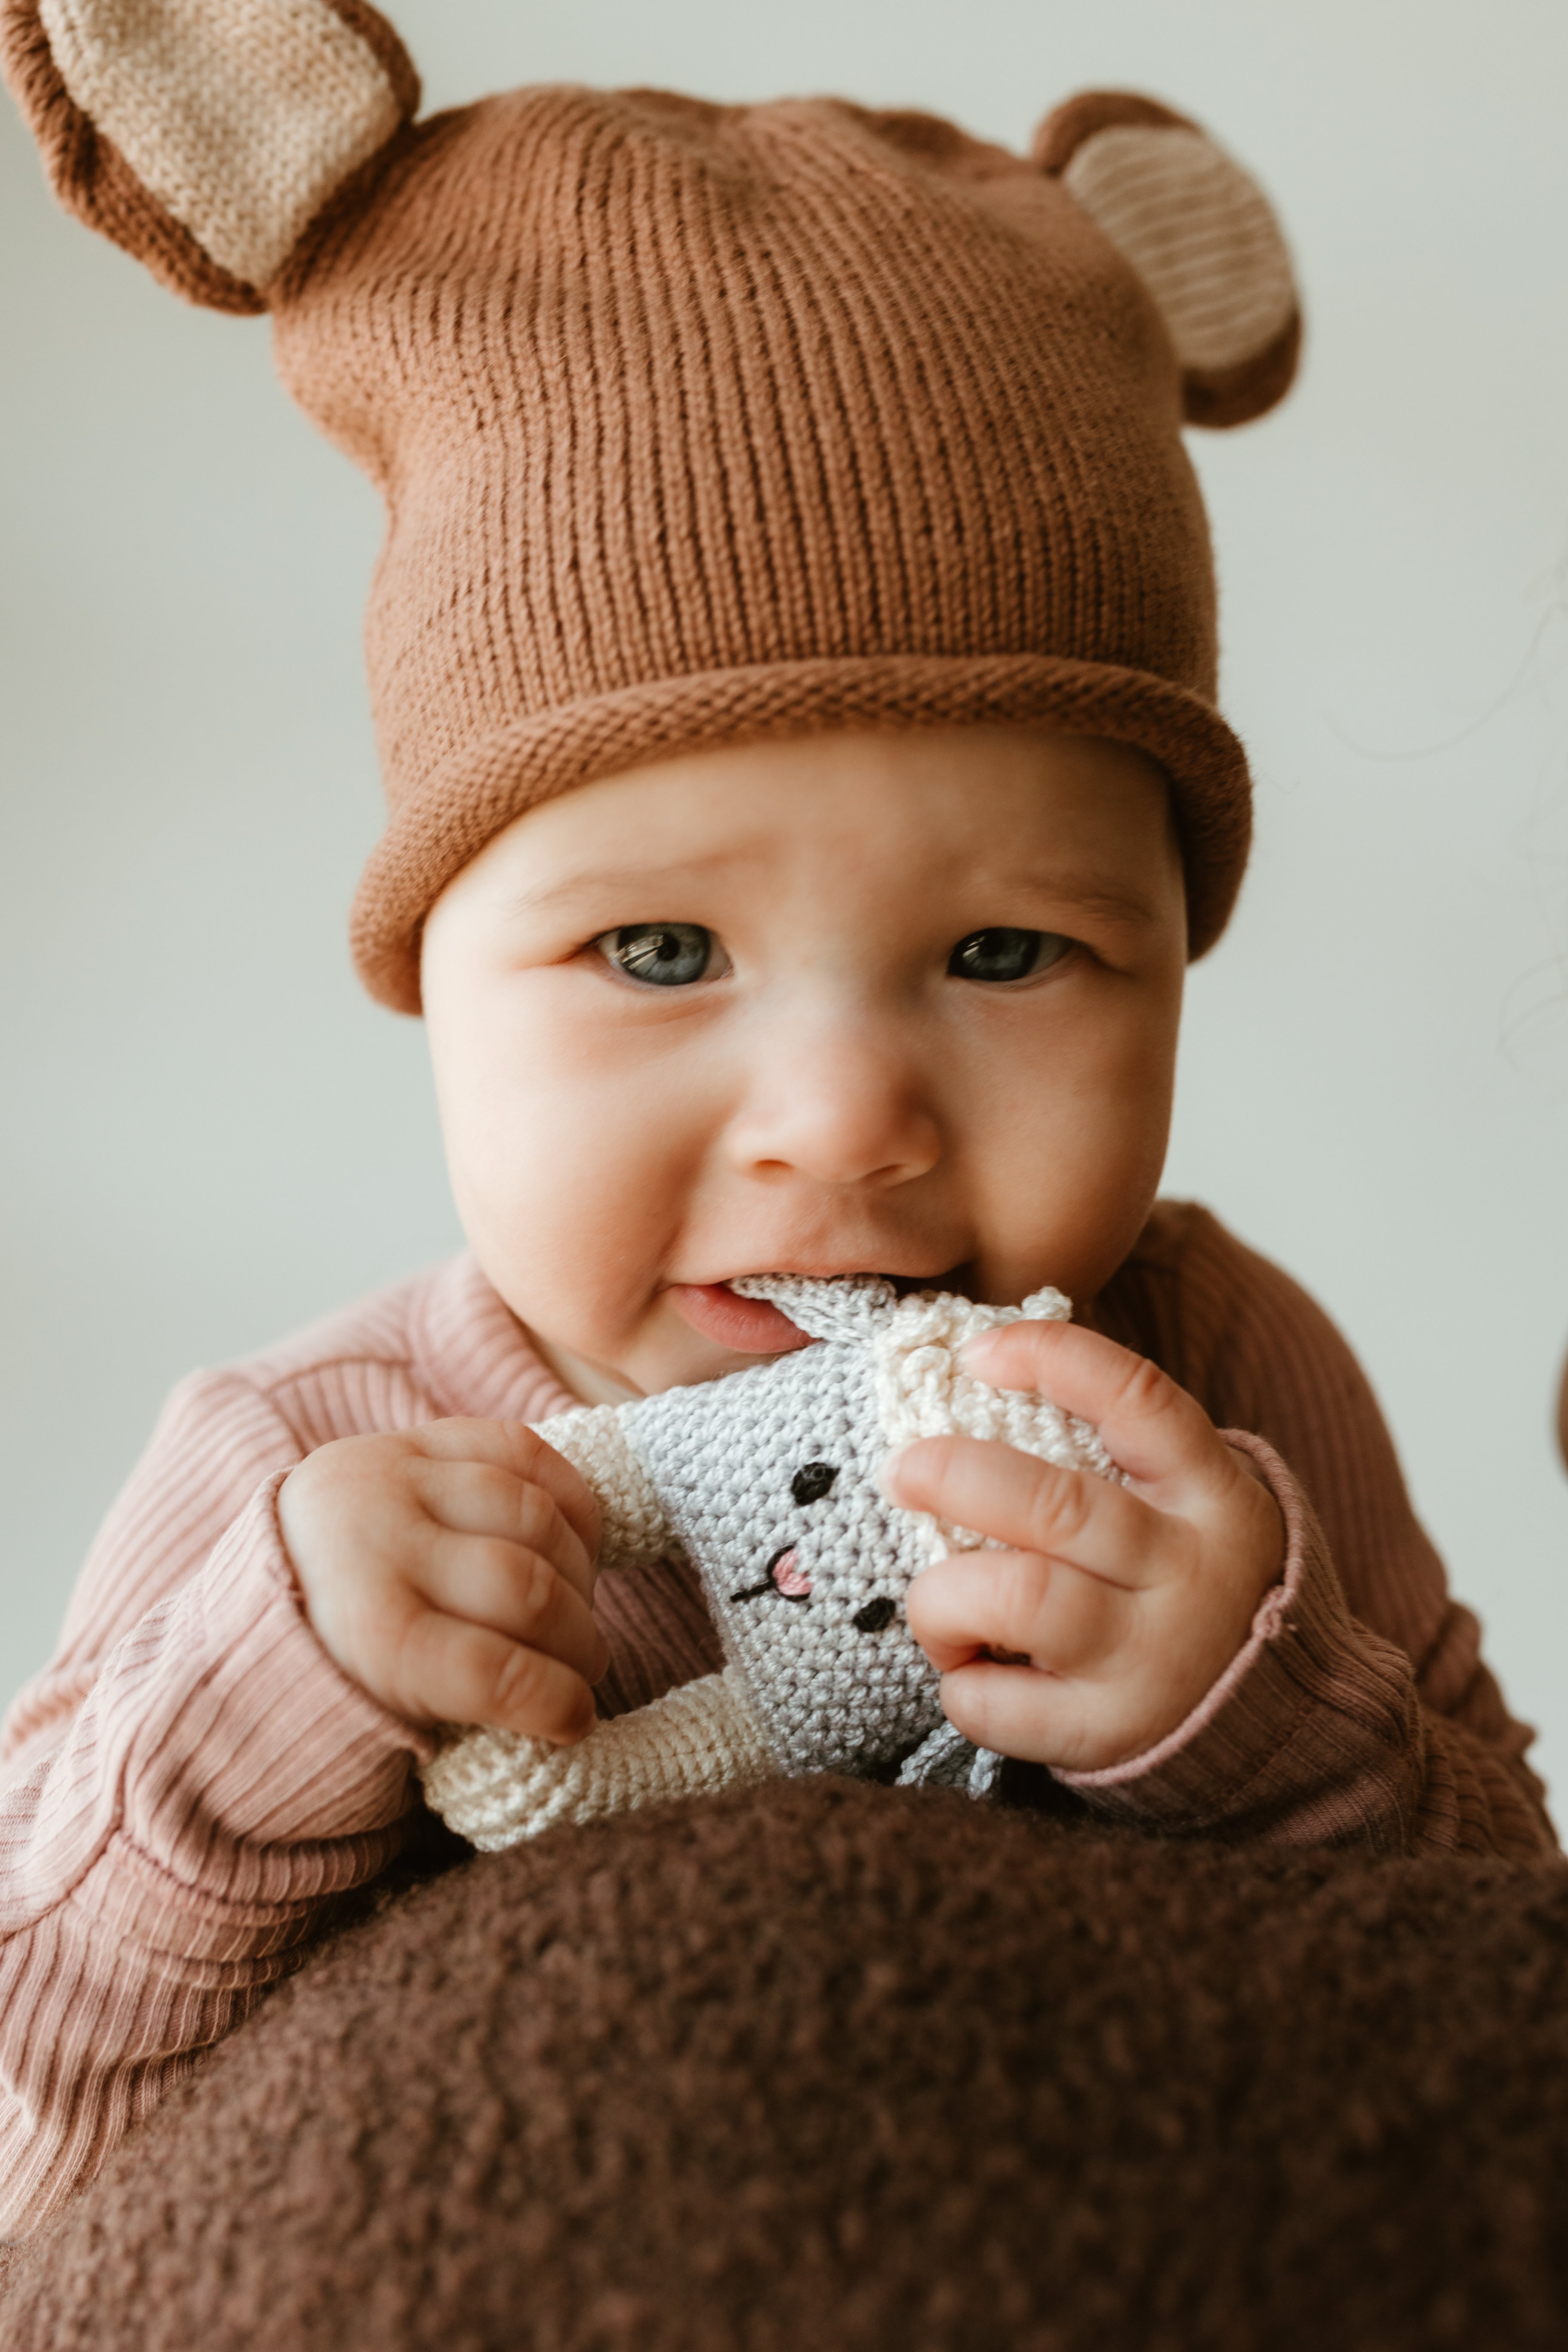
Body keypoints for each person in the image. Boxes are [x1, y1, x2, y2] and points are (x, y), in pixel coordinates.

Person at [0, 0, 1552, 2240]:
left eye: (1007, 953)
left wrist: (1273, 1728)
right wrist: (261, 1712)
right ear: (432, 980)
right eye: (658, 951)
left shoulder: (1223, 1387)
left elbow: (1516, 1985)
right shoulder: (297, 1473)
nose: (844, 1125)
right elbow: (41, 2145)